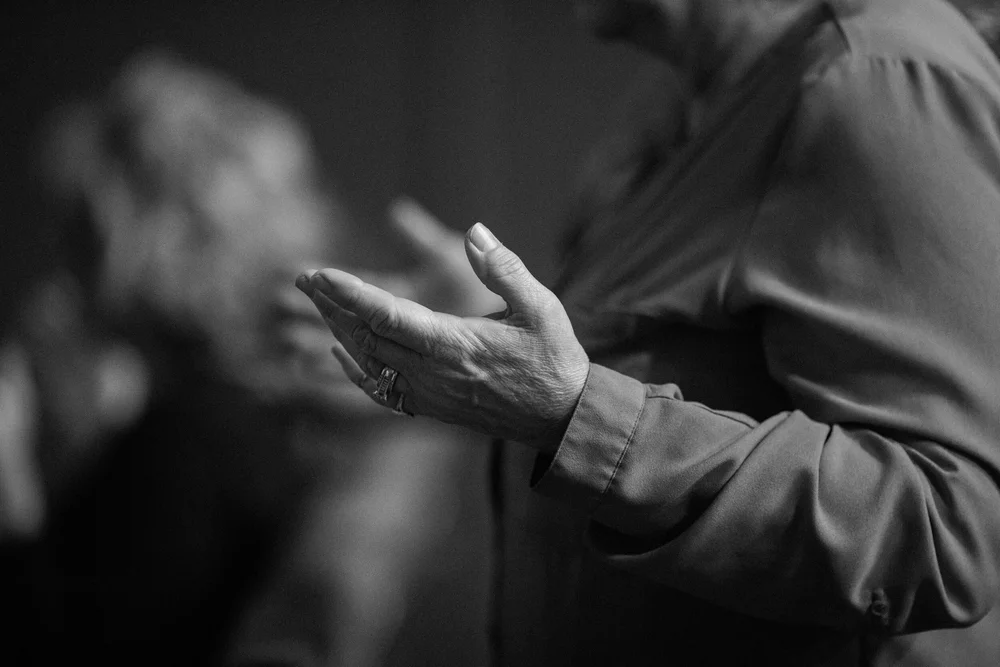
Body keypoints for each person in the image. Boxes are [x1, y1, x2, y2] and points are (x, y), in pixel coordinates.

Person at [296, 0, 1000, 664]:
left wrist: (576, 416)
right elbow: (704, 366)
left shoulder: (873, 81)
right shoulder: (681, 101)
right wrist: (487, 338)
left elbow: (949, 530)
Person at [0, 50, 470, 667]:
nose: (60, 269)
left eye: (79, 235)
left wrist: (11, 484)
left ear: (138, 244)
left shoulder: (184, 444)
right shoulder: (283, 421)